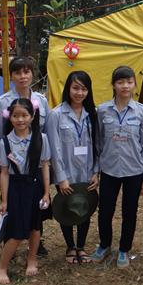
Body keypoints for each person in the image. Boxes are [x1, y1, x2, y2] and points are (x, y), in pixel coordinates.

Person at [89, 66, 143, 268]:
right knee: (105, 210)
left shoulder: (142, 112)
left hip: (134, 170)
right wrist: (96, 170)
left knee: (129, 211)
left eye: (129, 82)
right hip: (109, 169)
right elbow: (98, 143)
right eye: (120, 82)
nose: (125, 86)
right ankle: (104, 245)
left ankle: (124, 249)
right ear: (113, 85)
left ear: (135, 84)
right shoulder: (102, 110)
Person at [0, 57, 50, 254]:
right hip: (12, 165)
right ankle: (10, 243)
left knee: (35, 203)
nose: (23, 76)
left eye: (26, 72)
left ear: (32, 73)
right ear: (11, 76)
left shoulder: (41, 100)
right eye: (17, 73)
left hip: (35, 164)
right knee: (13, 205)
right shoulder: (2, 102)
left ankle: (36, 243)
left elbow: (46, 132)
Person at [0, 98, 51, 284]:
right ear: (9, 117)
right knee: (17, 231)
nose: (20, 120)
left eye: (25, 115)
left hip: (35, 186)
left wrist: (46, 192)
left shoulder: (41, 139)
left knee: (35, 226)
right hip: (16, 189)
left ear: (32, 116)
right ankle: (1, 267)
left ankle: (32, 259)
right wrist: (4, 200)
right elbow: (4, 173)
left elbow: (45, 165)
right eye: (16, 116)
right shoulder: (5, 142)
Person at [47, 71, 99, 264]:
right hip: (66, 172)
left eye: (84, 89)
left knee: (85, 206)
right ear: (68, 89)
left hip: (87, 172)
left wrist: (96, 172)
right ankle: (70, 246)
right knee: (67, 207)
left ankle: (81, 247)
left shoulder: (92, 113)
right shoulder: (56, 115)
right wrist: (61, 177)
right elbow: (54, 149)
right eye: (75, 88)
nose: (79, 93)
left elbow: (97, 145)